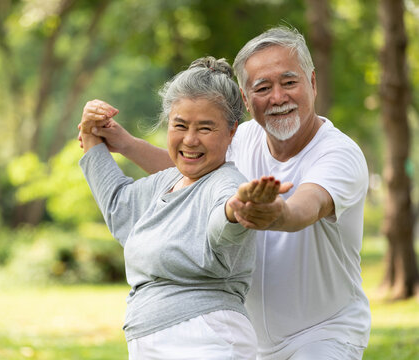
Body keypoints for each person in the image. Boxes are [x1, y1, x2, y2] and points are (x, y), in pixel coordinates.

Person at [81, 26, 371, 359]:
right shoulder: (242, 137)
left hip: (322, 334)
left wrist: (275, 212)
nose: (278, 97)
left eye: (289, 82)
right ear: (246, 101)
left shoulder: (338, 153)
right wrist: (126, 144)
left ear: (313, 83)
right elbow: (191, 169)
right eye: (263, 87)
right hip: (250, 336)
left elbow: (308, 206)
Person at [79, 56, 291, 360]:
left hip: (207, 340)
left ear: (231, 132)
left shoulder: (226, 185)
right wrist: (91, 135)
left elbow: (223, 225)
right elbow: (118, 205)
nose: (190, 140)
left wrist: (236, 211)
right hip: (154, 342)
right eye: (180, 125)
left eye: (205, 128)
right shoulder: (166, 183)